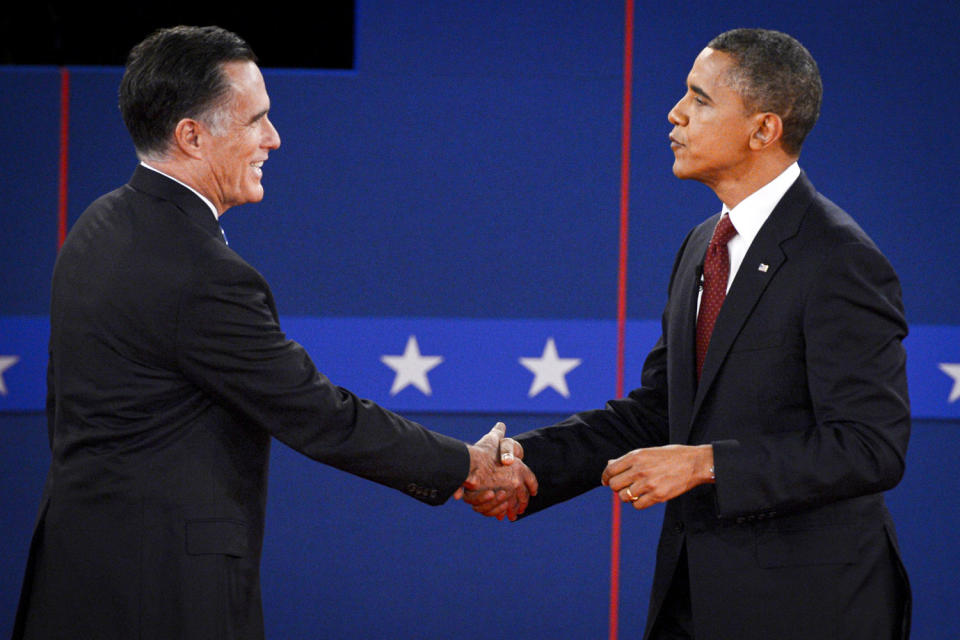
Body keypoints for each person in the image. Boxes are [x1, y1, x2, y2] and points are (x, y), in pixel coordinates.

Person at [12, 25, 535, 640]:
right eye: (255, 120)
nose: (273, 138)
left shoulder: (99, 224)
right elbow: (320, 415)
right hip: (164, 596)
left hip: (77, 574)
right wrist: (467, 467)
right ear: (191, 135)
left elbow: (67, 411)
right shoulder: (202, 272)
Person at [466, 28, 911, 640]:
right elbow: (659, 413)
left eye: (700, 99)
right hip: (694, 595)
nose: (675, 114)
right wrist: (529, 462)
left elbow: (869, 447)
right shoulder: (705, 244)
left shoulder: (839, 259)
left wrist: (705, 464)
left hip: (809, 607)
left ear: (764, 129)